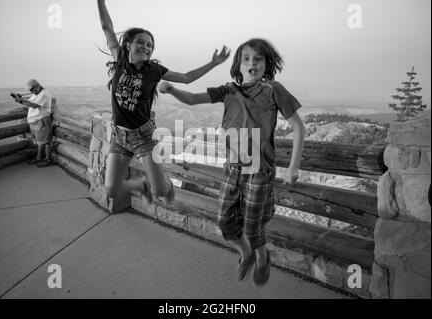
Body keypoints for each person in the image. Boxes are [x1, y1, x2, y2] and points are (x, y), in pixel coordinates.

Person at [159, 38, 305, 287]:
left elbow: (298, 127)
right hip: (232, 168)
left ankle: (261, 257)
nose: (252, 63)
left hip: (259, 170)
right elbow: (194, 99)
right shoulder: (229, 90)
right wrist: (172, 90)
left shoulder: (273, 90)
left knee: (253, 225)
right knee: (225, 222)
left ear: (267, 64)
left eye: (258, 59)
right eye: (246, 59)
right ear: (238, 65)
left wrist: (293, 166)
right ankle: (245, 251)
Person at [97, 0, 230, 206]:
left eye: (150, 45)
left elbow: (186, 77)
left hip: (144, 136)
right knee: (111, 190)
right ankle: (141, 185)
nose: (146, 47)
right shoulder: (120, 61)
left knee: (160, 191)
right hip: (119, 136)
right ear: (128, 44)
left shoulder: (154, 71)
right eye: (140, 42)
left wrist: (213, 63)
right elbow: (107, 28)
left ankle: (163, 186)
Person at [14, 79, 54, 167]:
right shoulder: (37, 93)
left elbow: (34, 105)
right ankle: (39, 158)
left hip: (42, 119)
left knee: (46, 141)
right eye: (30, 90)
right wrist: (22, 98)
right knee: (40, 141)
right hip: (36, 121)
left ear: (37, 85)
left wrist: (21, 101)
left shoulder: (44, 94)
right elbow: (31, 101)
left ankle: (48, 159)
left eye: (32, 89)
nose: (32, 91)